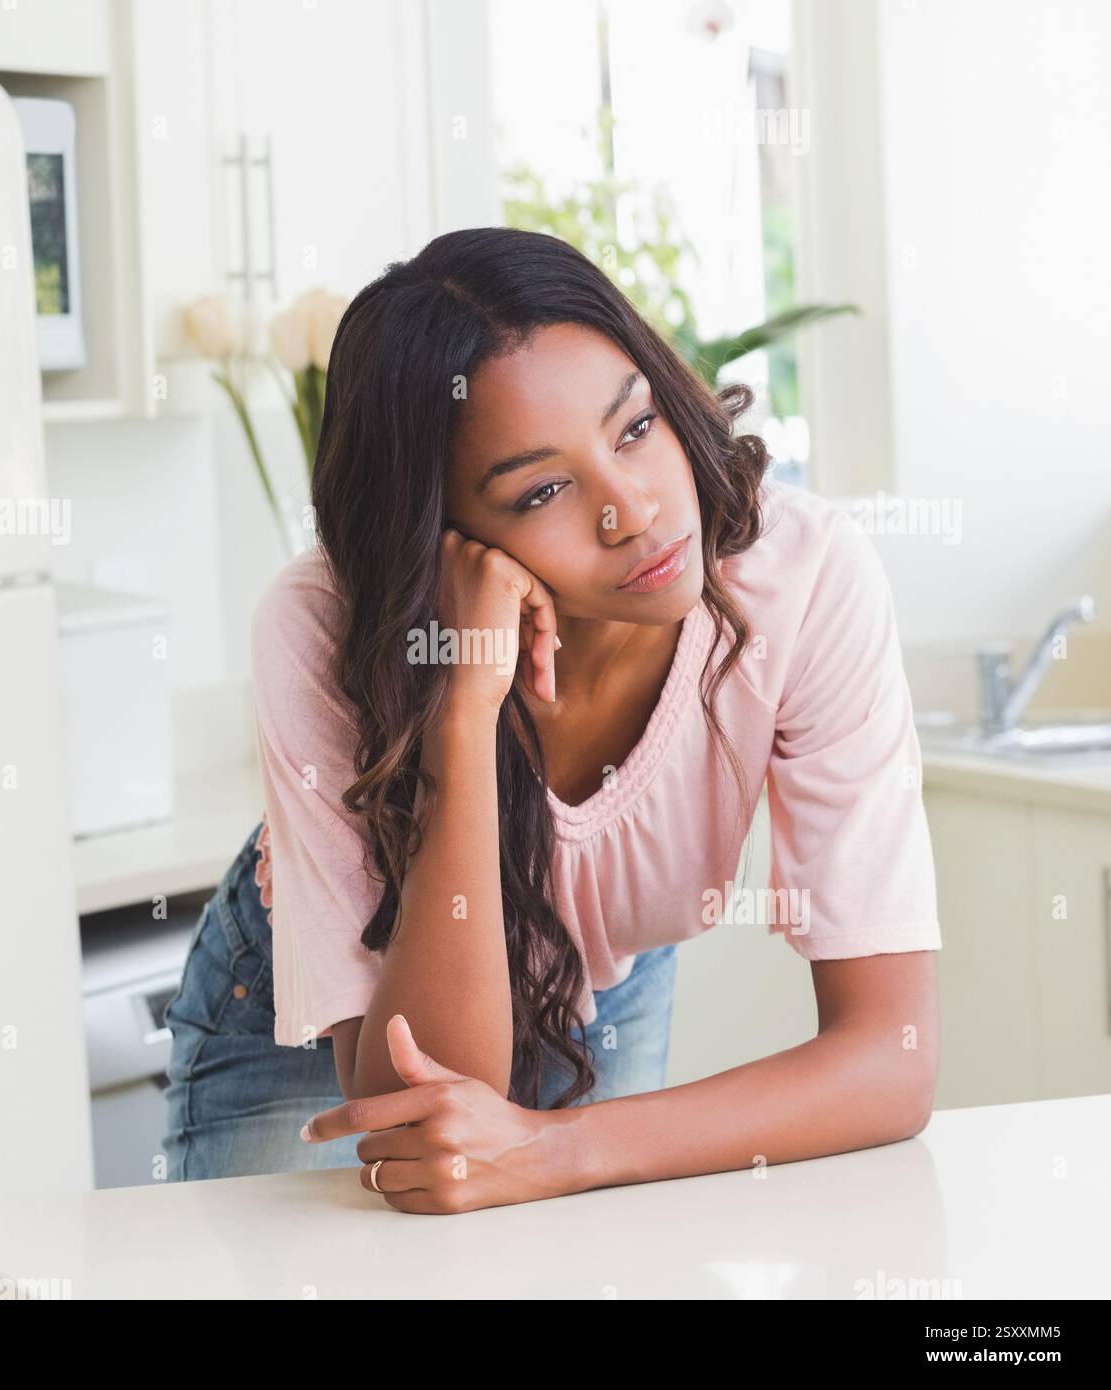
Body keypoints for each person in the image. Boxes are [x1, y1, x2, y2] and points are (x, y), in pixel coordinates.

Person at [161, 226, 942, 1214]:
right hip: (329, 1012)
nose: (632, 512)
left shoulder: (805, 575)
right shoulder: (321, 627)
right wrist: (459, 712)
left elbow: (890, 1059)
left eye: (635, 428)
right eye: (541, 490)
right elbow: (411, 1110)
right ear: (438, 528)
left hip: (606, 971)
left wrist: (557, 1150)